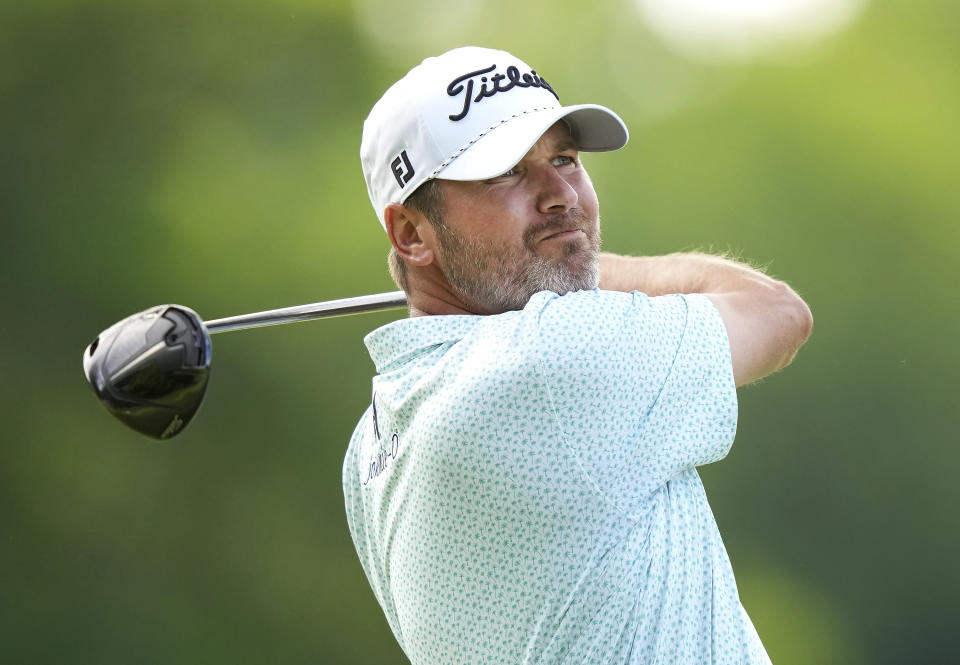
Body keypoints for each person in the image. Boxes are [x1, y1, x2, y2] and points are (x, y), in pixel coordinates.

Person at [342, 46, 812, 665]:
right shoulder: (549, 362)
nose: (560, 194)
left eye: (564, 158)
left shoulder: (371, 445)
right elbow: (778, 313)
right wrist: (585, 266)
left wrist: (557, 261)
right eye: (507, 171)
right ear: (410, 233)